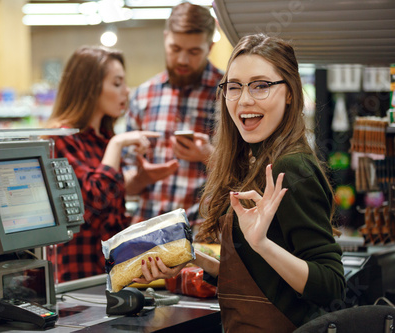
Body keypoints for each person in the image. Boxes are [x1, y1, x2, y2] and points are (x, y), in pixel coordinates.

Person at [133, 34, 346, 332]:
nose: (245, 100)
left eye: (261, 86)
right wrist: (192, 259)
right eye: (234, 87)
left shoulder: (290, 167)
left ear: (289, 93)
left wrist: (262, 244)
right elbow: (263, 278)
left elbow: (331, 286)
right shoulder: (258, 160)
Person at [46, 46, 179, 282]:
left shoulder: (102, 138)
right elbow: (94, 202)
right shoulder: (59, 140)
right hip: (78, 274)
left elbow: (109, 197)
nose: (126, 91)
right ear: (90, 88)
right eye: (117, 84)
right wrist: (117, 144)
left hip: (110, 271)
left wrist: (141, 180)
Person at [124, 2, 223, 227]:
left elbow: (251, 175)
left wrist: (209, 155)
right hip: (147, 235)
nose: (182, 60)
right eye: (175, 49)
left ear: (210, 46)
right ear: (165, 37)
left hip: (203, 237)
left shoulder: (230, 93)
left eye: (194, 51)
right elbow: (125, 184)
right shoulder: (143, 95)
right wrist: (141, 177)